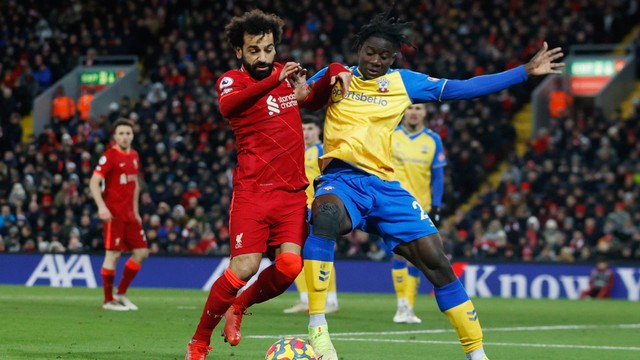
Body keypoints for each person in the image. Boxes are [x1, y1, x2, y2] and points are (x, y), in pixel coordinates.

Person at [303, 9, 564, 360]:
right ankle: (318, 330)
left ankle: (477, 354)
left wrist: (524, 73)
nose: (376, 61)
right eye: (370, 53)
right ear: (359, 48)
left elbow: (462, 88)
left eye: (385, 56)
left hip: (384, 186)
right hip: (341, 180)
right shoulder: (336, 77)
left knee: (437, 262)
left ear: (394, 58)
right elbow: (299, 99)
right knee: (327, 215)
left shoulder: (404, 82)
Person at [184, 10, 349, 359]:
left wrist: (335, 69)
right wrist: (276, 81)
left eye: (269, 49)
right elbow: (230, 107)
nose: (263, 57)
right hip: (253, 192)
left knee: (290, 266)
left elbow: (312, 98)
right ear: (239, 52)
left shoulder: (283, 77)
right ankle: (199, 341)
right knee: (243, 266)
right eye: (254, 50)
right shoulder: (233, 80)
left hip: (291, 195)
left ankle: (239, 307)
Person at [390, 103, 446, 324]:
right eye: (411, 107)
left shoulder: (433, 140)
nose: (414, 112)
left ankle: (409, 308)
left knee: (418, 258)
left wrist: (438, 206)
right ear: (404, 110)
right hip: (393, 203)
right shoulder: (390, 135)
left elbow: (438, 176)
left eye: (419, 108)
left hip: (421, 206)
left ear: (425, 113)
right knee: (398, 252)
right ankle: (401, 305)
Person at [89, 118, 149, 311]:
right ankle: (108, 301)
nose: (125, 137)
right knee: (113, 255)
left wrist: (137, 211)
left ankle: (121, 293)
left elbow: (135, 186)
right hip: (113, 214)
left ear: (132, 135)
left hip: (130, 215)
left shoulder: (134, 155)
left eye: (128, 133)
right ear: (115, 136)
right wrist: (101, 207)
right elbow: (93, 182)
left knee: (141, 253)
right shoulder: (110, 156)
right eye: (121, 133)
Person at [283, 115, 339, 315]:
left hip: (317, 209)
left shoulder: (324, 152)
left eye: (310, 128)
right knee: (296, 254)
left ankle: (330, 301)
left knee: (320, 252)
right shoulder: (296, 150)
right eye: (303, 128)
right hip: (296, 209)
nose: (306, 132)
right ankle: (306, 299)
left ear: (318, 131)